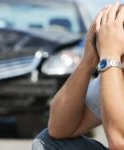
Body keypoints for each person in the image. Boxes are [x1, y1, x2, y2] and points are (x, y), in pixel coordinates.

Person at [32, 2, 124, 150]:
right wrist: (88, 61)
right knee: (48, 143)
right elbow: (58, 128)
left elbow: (120, 142)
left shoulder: (113, 60)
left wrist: (111, 56)